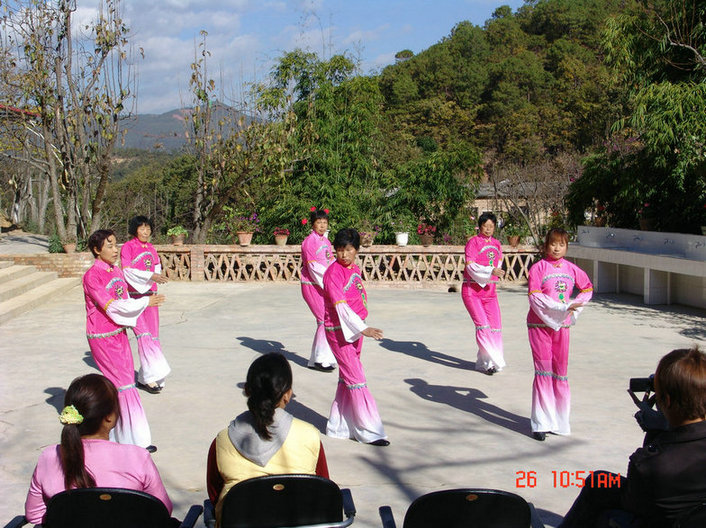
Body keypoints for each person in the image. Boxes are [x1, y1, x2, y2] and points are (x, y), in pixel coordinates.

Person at [559, 347, 706, 527]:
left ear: (666, 401)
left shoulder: (648, 463)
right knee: (600, 482)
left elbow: (634, 503)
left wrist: (655, 431)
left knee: (599, 484)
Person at [24, 374, 172, 525]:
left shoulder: (48, 457)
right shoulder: (138, 457)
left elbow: (34, 514)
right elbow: (162, 511)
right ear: (109, 417)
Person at [207, 353, 329, 523]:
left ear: (247, 390)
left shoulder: (222, 441)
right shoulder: (310, 436)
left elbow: (215, 497)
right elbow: (323, 492)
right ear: (288, 394)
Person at [82, 229, 164, 450]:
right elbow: (113, 306)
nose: (115, 250)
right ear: (97, 250)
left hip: (118, 332)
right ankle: (133, 441)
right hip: (102, 336)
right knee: (124, 385)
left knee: (125, 383)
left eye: (115, 245)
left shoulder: (116, 270)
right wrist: (144, 303)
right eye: (109, 246)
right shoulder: (92, 276)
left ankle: (127, 437)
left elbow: (126, 298)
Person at [323, 228, 388, 446]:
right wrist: (364, 328)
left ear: (357, 250)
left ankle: (338, 426)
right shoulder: (332, 273)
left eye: (348, 249)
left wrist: (361, 327)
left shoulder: (354, 269)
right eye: (340, 250)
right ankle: (370, 430)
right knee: (357, 378)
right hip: (339, 331)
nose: (344, 254)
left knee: (348, 378)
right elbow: (341, 307)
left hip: (356, 329)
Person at [527, 228, 592, 441]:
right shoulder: (538, 268)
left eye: (561, 244)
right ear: (546, 245)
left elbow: (587, 289)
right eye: (553, 244)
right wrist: (560, 307)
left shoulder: (572, 269)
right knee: (543, 371)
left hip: (562, 326)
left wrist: (574, 307)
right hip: (539, 324)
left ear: (566, 247)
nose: (557, 248)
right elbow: (535, 297)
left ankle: (559, 421)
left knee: (560, 372)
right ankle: (541, 423)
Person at [120, 215, 171, 394]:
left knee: (153, 336)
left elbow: (156, 267)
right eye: (142, 228)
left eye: (148, 228)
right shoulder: (128, 247)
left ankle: (146, 376)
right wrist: (150, 276)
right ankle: (150, 378)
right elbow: (127, 271)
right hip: (135, 297)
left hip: (151, 296)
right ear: (135, 230)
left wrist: (155, 277)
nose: (146, 232)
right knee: (143, 336)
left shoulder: (151, 248)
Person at [462, 212, 506, 375]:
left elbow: (498, 262)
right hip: (472, 292)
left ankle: (485, 362)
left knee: (495, 328)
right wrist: (490, 271)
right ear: (479, 226)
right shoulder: (473, 242)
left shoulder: (497, 244)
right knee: (483, 326)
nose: (488, 229)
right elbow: (470, 266)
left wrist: (495, 271)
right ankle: (489, 363)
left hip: (490, 292)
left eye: (491, 226)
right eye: (485, 226)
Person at [300, 207, 337, 372]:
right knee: (323, 319)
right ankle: (320, 359)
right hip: (312, 285)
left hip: (324, 284)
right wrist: (329, 282)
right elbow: (313, 267)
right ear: (313, 224)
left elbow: (331, 261)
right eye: (319, 222)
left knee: (326, 320)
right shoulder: (309, 242)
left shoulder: (326, 242)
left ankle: (319, 358)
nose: (322, 225)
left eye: (324, 222)